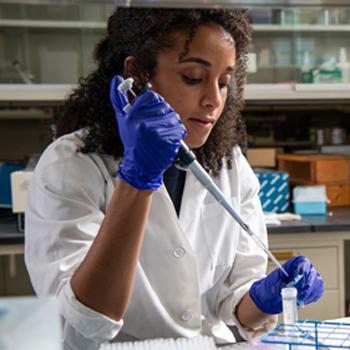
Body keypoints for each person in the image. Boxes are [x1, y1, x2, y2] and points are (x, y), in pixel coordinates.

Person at [24, 8, 324, 350]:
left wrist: (265, 296)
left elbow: (233, 309)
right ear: (136, 76)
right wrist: (137, 181)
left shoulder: (228, 164)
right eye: (194, 77)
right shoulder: (70, 165)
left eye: (224, 82)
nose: (214, 100)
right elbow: (81, 324)